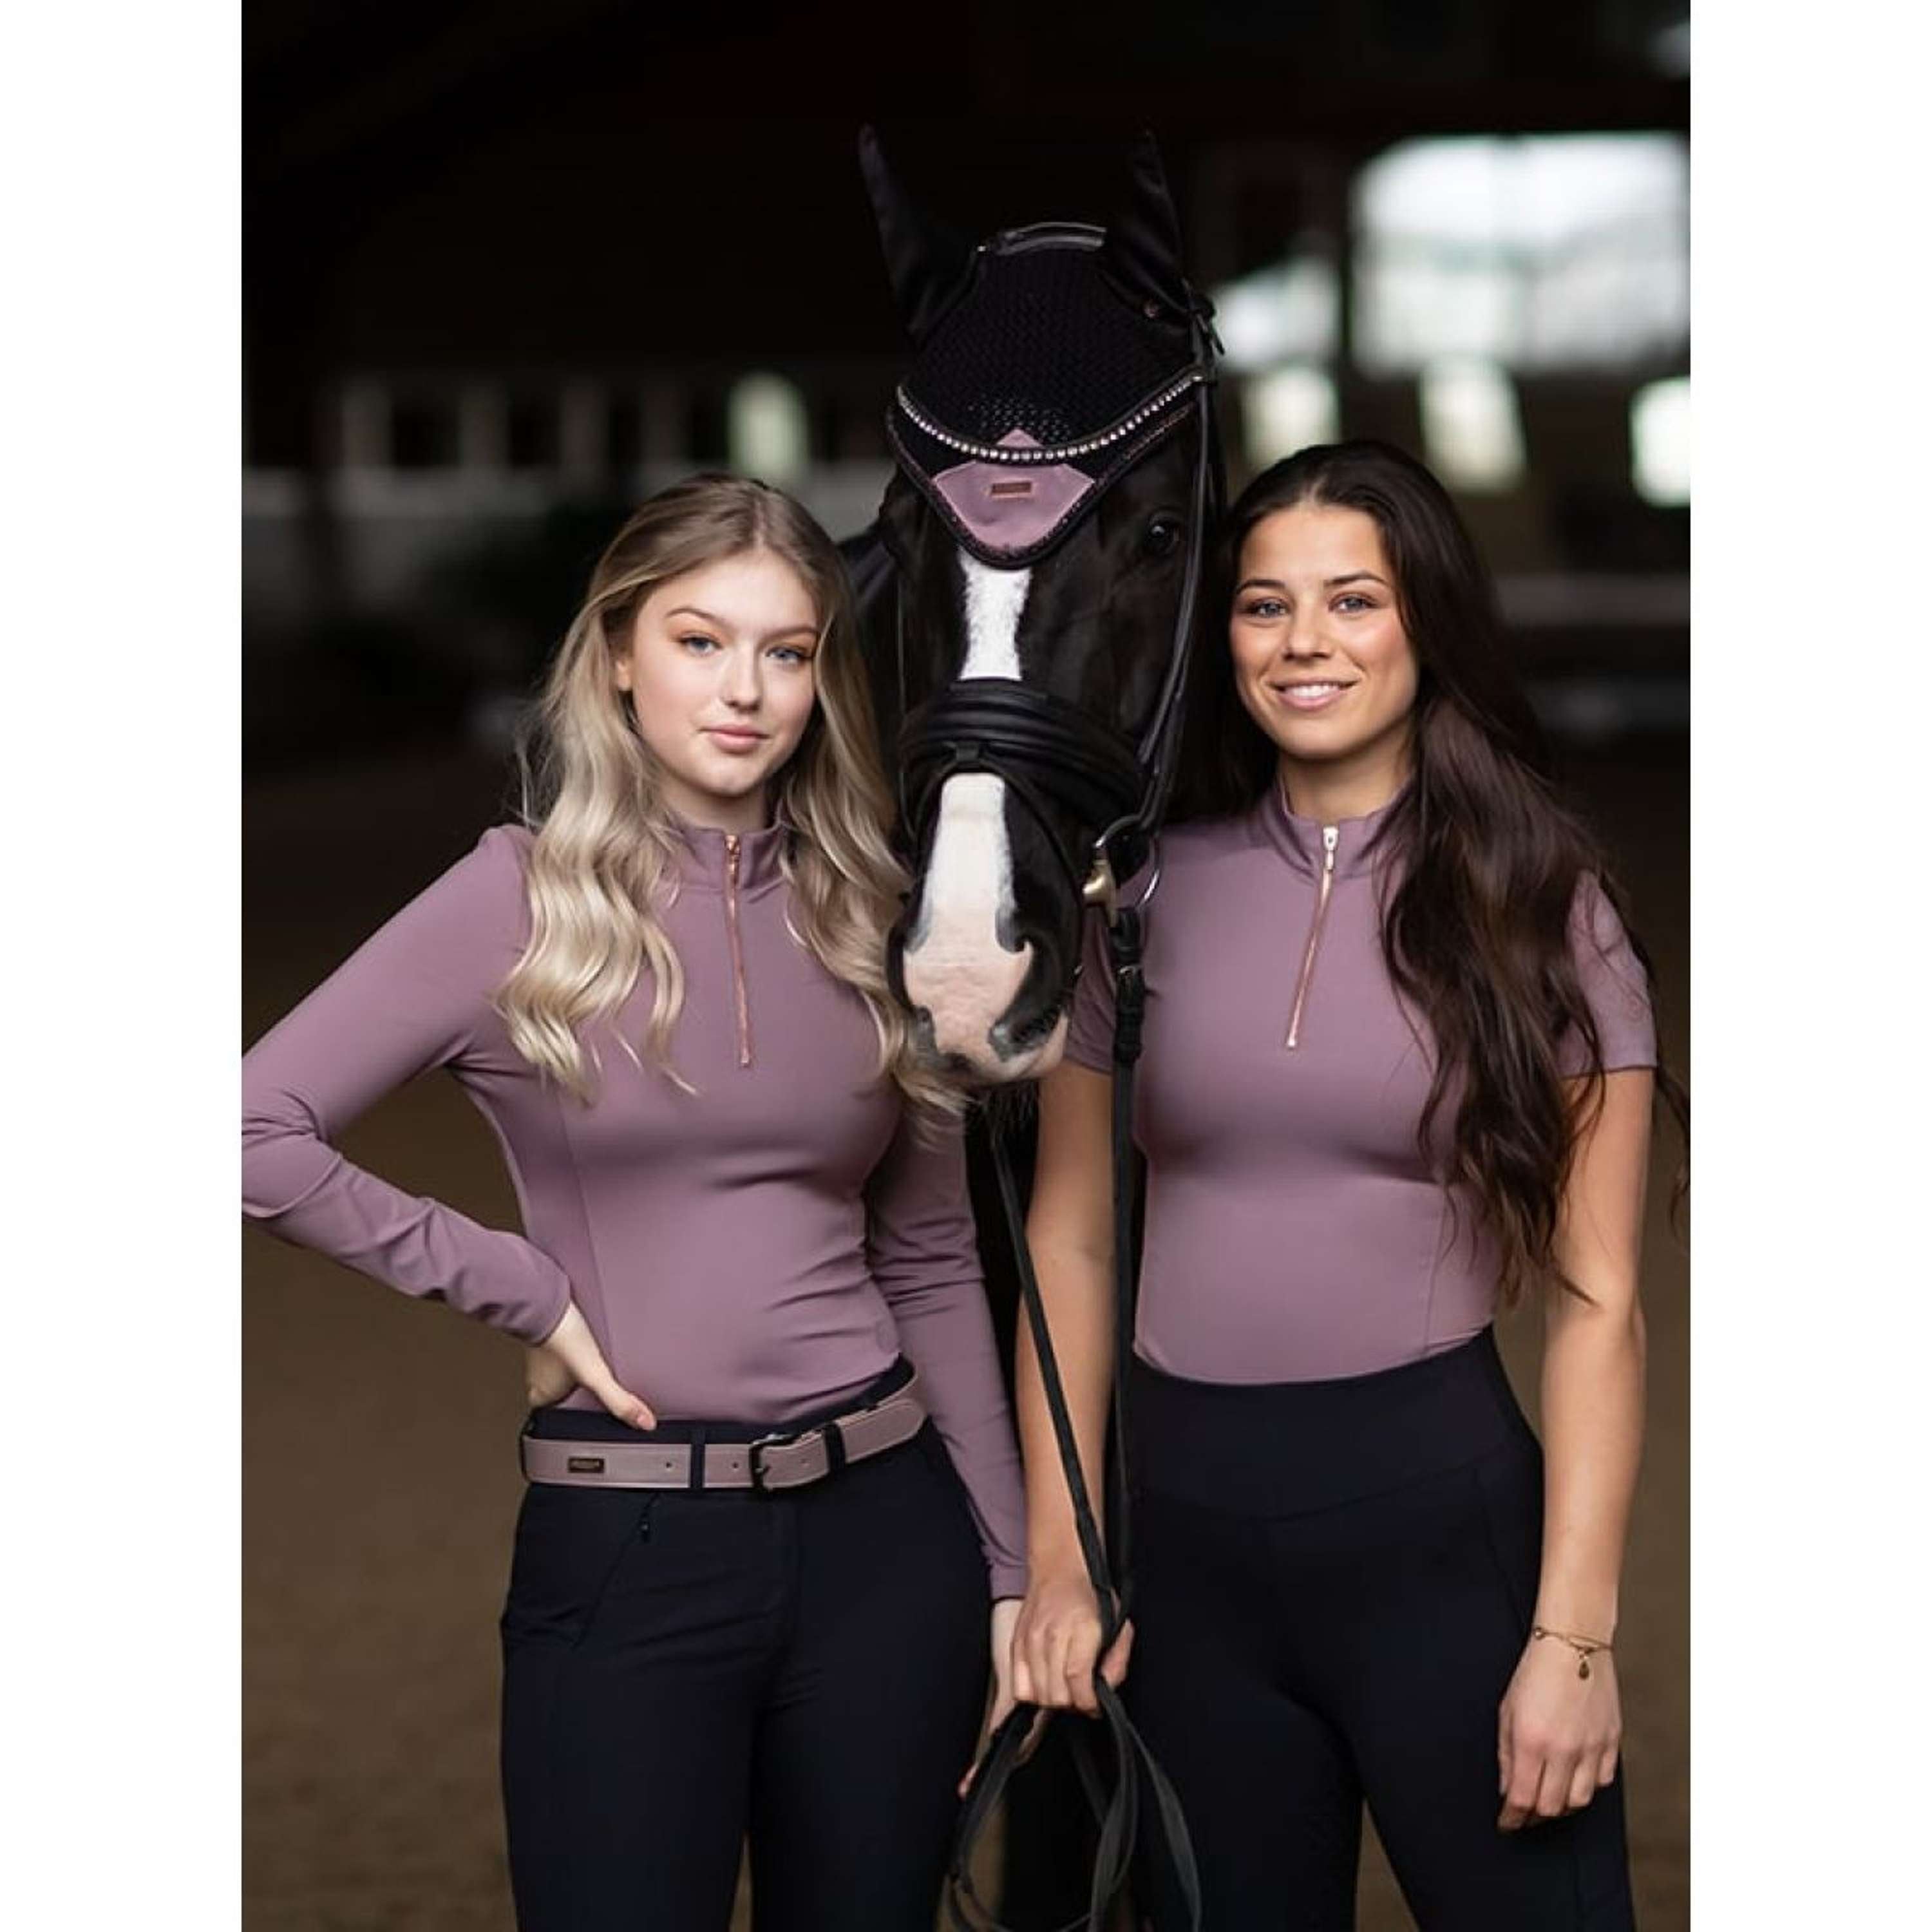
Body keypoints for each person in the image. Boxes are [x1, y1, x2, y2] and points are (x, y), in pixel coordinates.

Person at [242, 473, 1027, 1932]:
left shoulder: (874, 901)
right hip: (631, 1547)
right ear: (616, 653)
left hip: (889, 1543)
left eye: (786, 652)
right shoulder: (513, 897)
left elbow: (929, 1258)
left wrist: (1007, 1569)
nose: (745, 691)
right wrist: (522, 1290)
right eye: (698, 641)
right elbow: (248, 1131)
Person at [1009, 440, 1686, 1929]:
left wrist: (1574, 1641)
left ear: (1425, 621)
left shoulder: (1545, 909)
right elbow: (1070, 1243)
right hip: (1183, 1551)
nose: (1304, 641)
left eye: (1352, 599)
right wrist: (1062, 1558)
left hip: (1441, 1538)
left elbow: (1600, 1306)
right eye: (1265, 605)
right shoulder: (1141, 899)